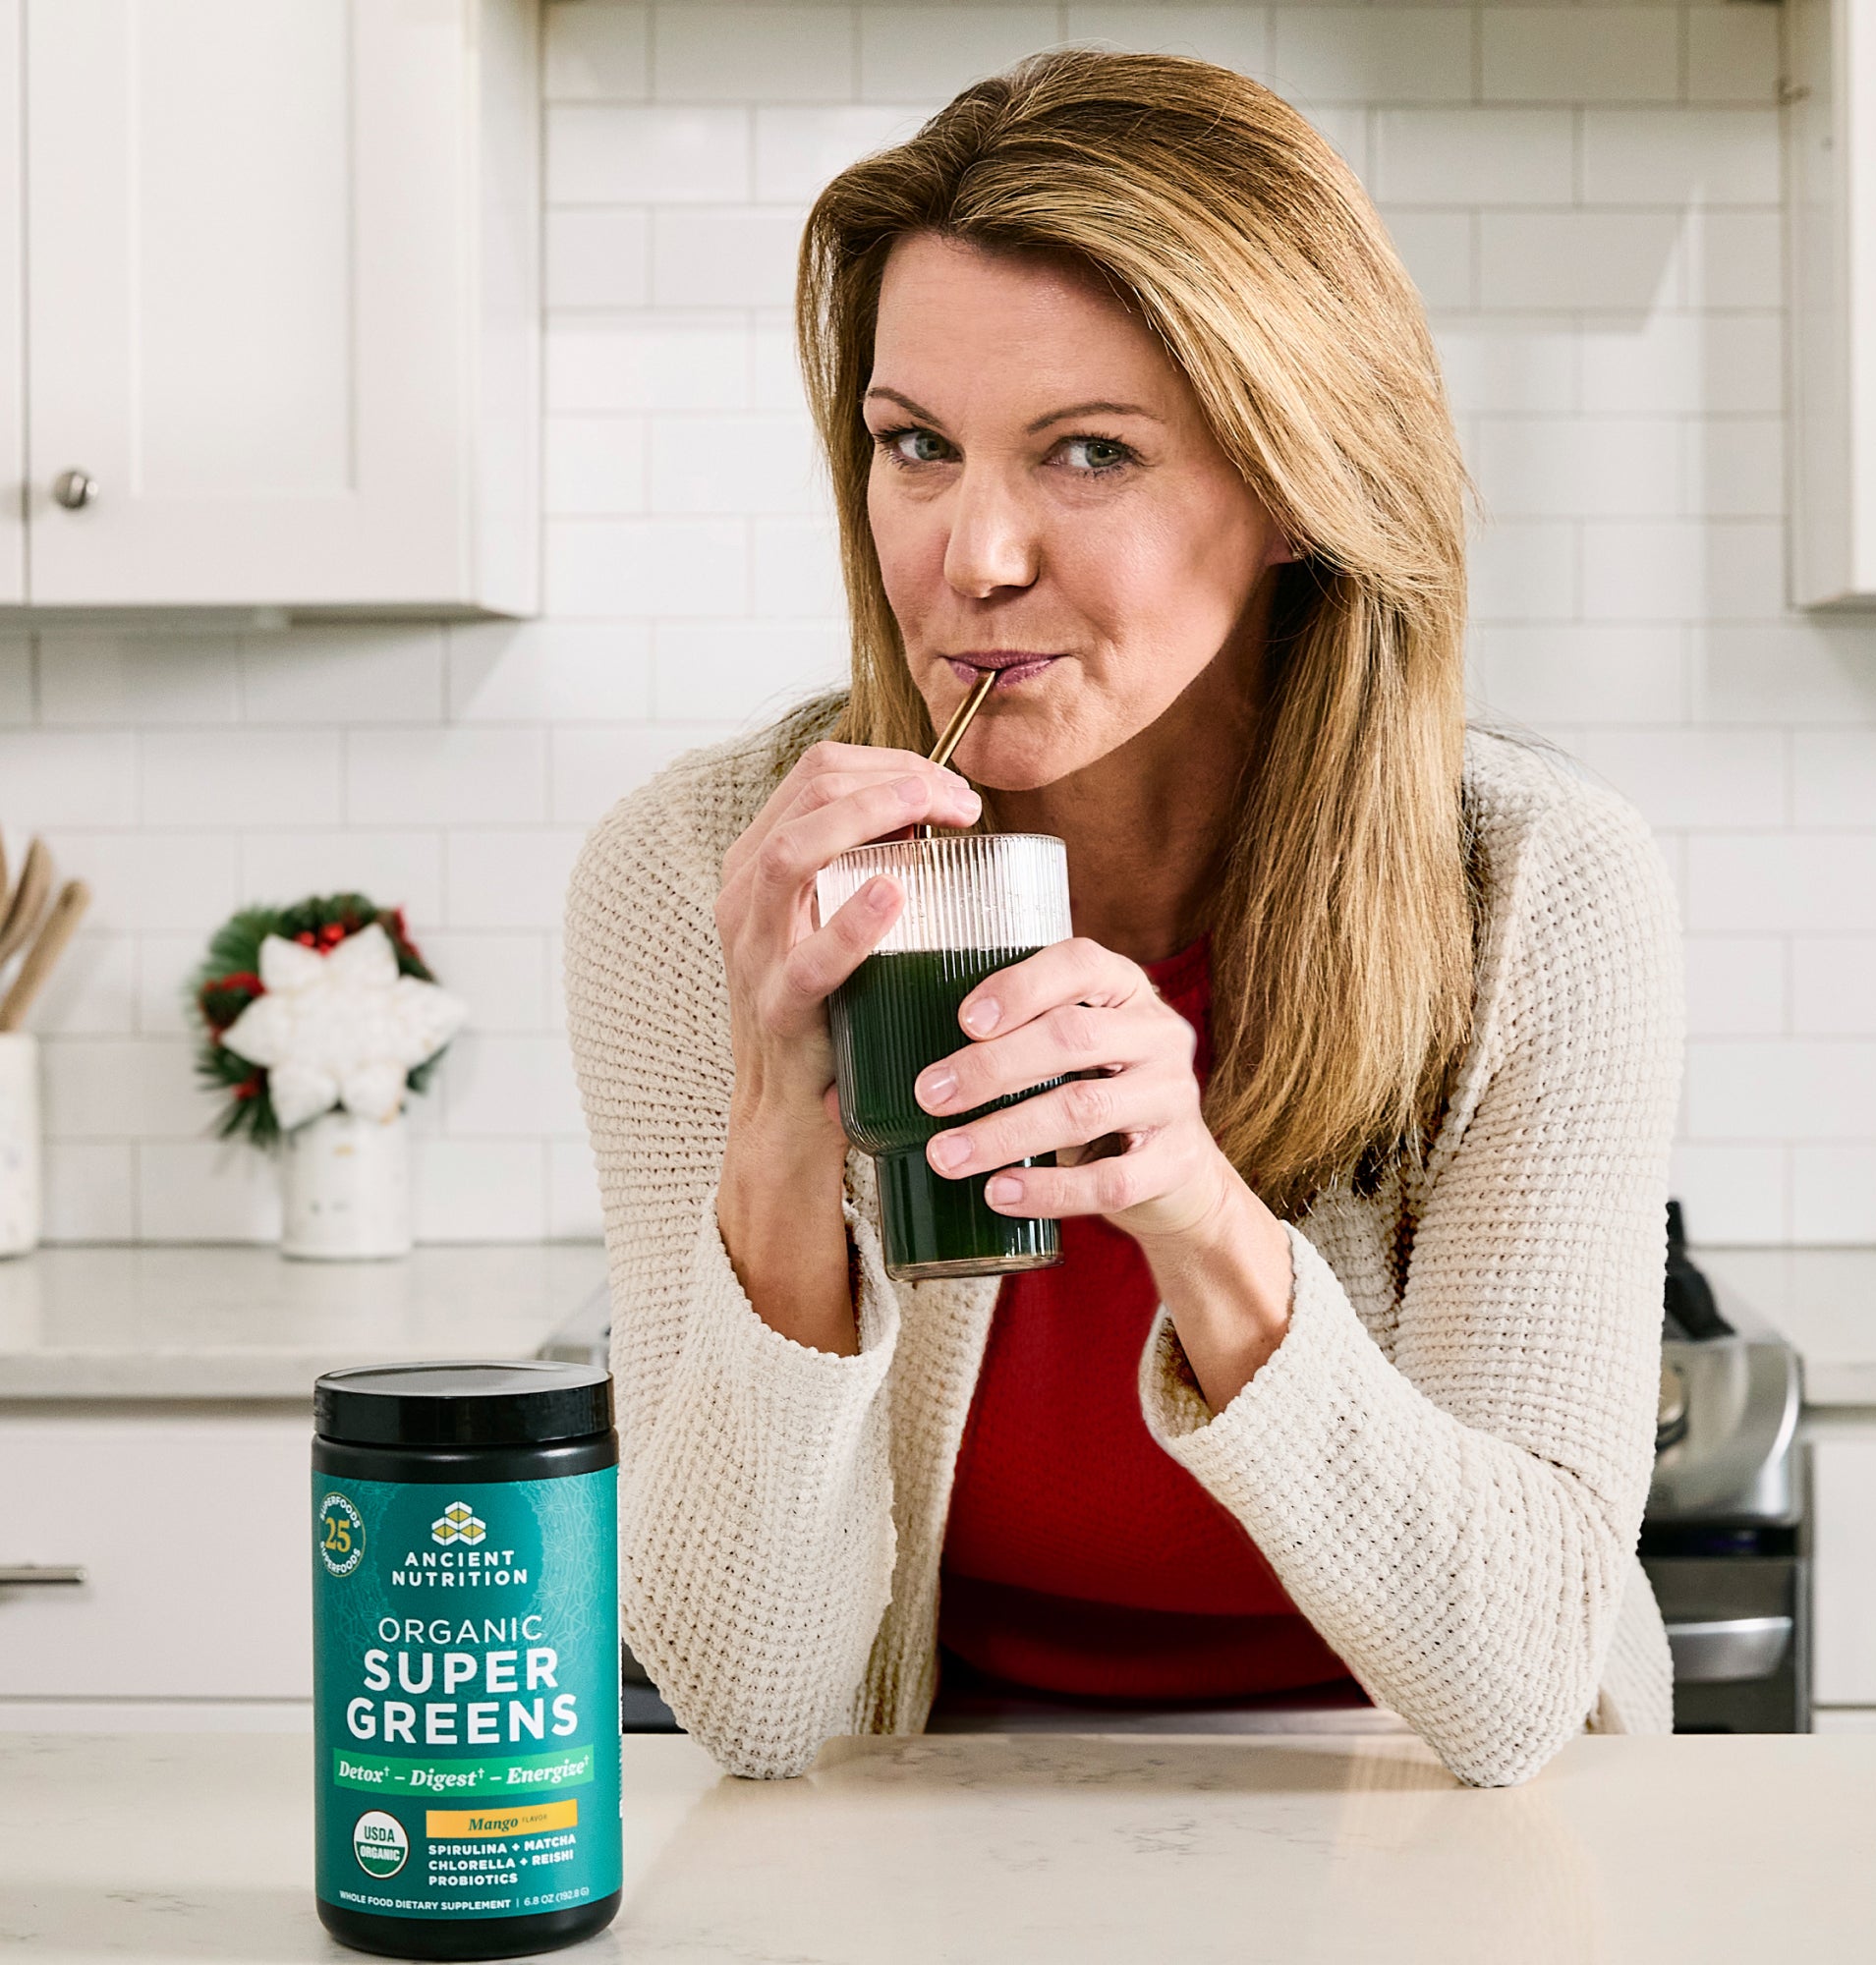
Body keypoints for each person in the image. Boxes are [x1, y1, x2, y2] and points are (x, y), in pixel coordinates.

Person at [565, 50, 1681, 1789]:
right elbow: (759, 1706)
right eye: (913, 445)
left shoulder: (1541, 887)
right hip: (933, 1800)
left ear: (1302, 490)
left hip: (1421, 1804)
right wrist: (782, 1116)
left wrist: (1194, 1211)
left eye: (1089, 453)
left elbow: (1515, 1686)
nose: (971, 554)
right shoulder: (701, 870)